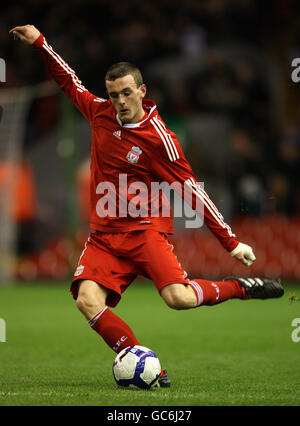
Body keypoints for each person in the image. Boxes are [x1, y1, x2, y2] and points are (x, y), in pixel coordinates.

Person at [10, 25, 284, 387]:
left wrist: (230, 242)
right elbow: (69, 81)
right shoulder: (99, 113)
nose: (119, 101)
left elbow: (191, 192)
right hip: (105, 237)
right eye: (113, 94)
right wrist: (42, 43)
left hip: (144, 233)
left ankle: (239, 287)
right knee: (87, 300)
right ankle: (146, 365)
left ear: (142, 91)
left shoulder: (160, 140)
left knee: (179, 299)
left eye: (126, 93)